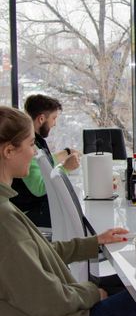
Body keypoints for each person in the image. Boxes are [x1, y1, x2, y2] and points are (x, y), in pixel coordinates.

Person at [0, 106, 136, 316]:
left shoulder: (6, 206)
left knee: (135, 298)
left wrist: (95, 241)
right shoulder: (4, 219)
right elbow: (46, 300)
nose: (34, 151)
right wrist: (94, 292)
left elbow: (40, 253)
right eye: (29, 144)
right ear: (8, 151)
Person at [11, 94, 80, 228]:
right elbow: (40, 188)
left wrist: (66, 153)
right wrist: (65, 168)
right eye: (53, 118)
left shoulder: (35, 140)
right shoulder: (29, 146)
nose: (55, 124)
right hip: (28, 213)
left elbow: (43, 163)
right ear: (41, 119)